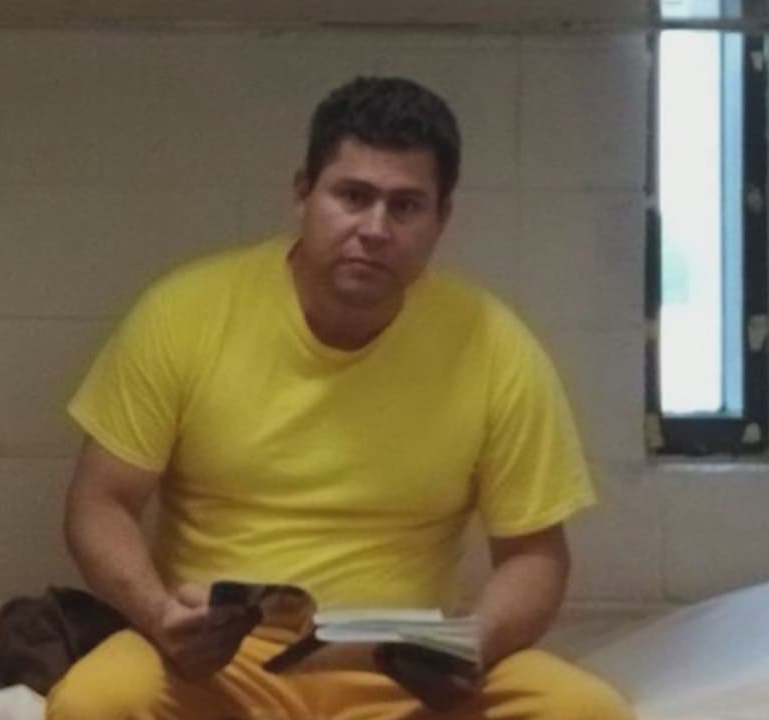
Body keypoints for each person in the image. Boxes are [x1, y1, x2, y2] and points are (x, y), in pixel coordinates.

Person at [47, 76, 634, 720]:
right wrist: (161, 616)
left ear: (441, 219)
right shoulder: (185, 312)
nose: (374, 229)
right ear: (304, 192)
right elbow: (100, 503)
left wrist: (472, 646)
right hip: (220, 669)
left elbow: (535, 556)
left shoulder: (494, 345)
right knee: (91, 703)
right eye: (352, 197)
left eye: (406, 206)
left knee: (587, 712)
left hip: (404, 673)